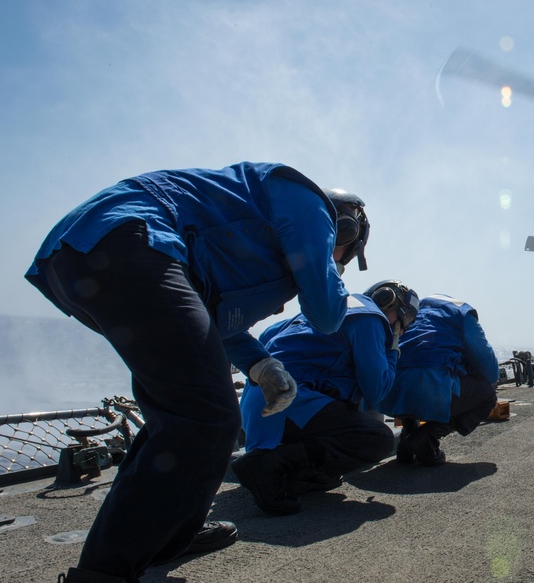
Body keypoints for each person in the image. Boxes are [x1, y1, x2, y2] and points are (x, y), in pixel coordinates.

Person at [26, 162, 369, 583]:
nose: (337, 261)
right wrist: (331, 269)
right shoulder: (309, 203)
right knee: (205, 418)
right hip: (133, 239)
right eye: (344, 254)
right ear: (346, 232)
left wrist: (260, 363)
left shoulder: (250, 231)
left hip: (85, 257)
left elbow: (208, 316)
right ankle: (104, 574)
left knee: (178, 416)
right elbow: (326, 313)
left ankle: (168, 534)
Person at [233, 280, 420, 515]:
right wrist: (393, 351)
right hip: (289, 405)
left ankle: (291, 473)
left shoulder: (315, 312)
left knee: (334, 452)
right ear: (388, 303)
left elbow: (265, 341)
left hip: (256, 410)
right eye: (405, 321)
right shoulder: (371, 318)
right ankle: (268, 465)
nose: (402, 330)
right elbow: (377, 390)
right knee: (376, 438)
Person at [377, 294, 499, 466]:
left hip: (389, 395)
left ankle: (408, 436)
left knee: (414, 372)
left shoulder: (412, 313)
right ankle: (427, 437)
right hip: (430, 390)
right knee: (487, 395)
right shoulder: (462, 314)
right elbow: (491, 372)